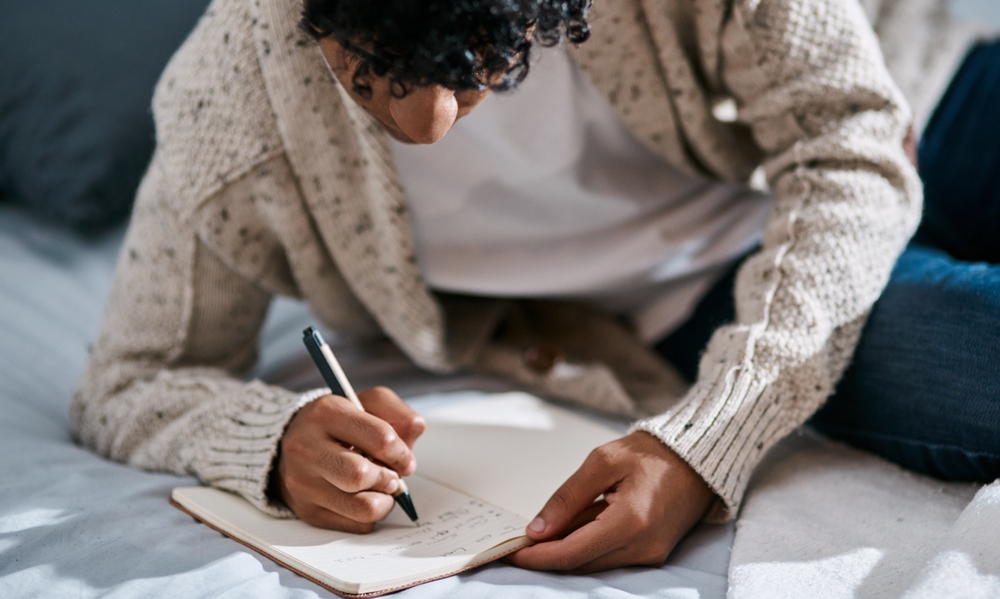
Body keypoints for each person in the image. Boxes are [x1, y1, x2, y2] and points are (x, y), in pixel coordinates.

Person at [71, 0, 994, 574]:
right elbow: (128, 380)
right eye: (366, 72)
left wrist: (707, 441)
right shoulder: (228, 106)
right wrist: (271, 443)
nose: (425, 123)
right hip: (708, 286)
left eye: (478, 70)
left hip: (919, 97)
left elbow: (850, 145)